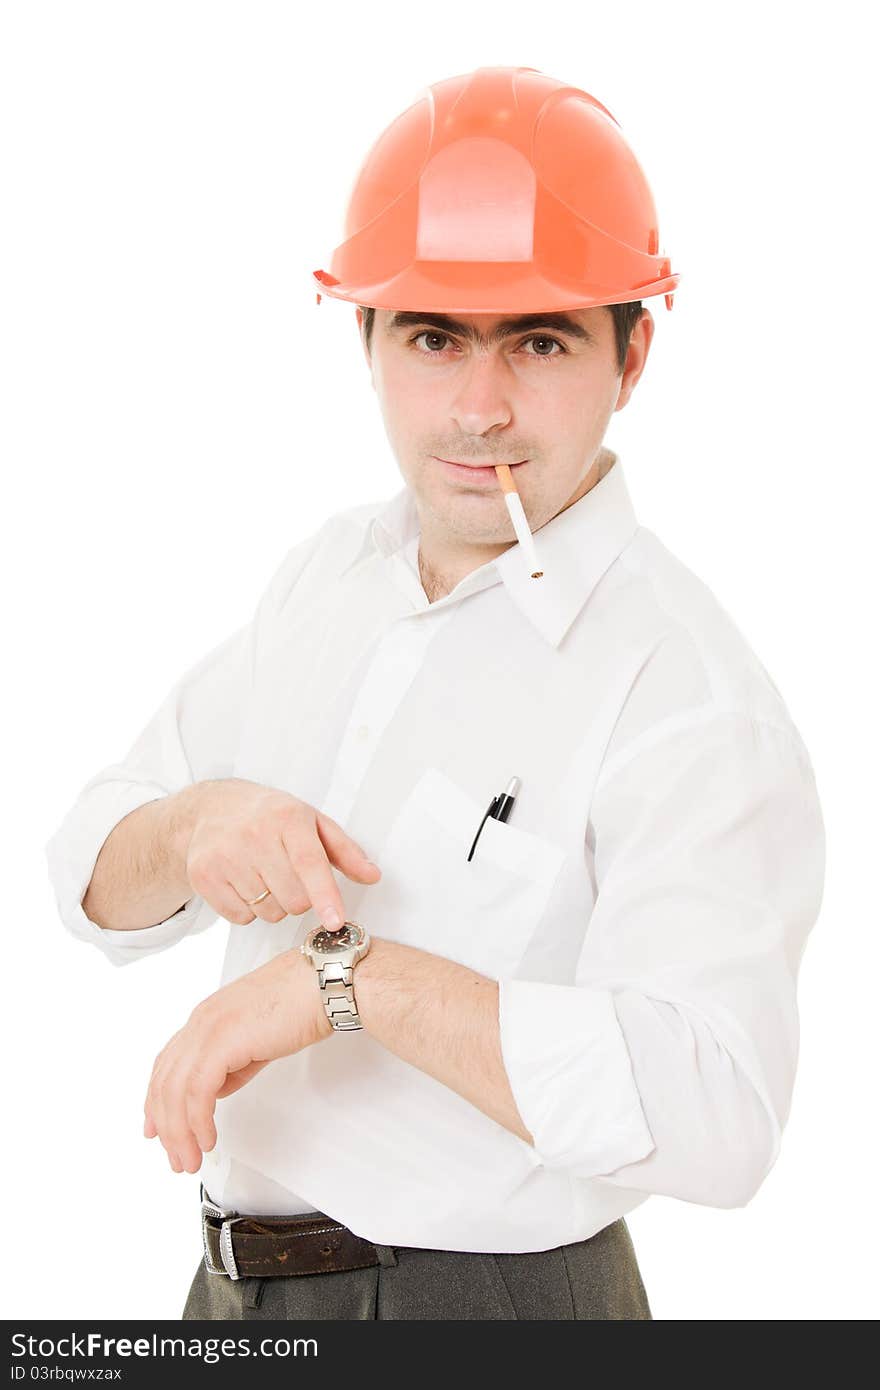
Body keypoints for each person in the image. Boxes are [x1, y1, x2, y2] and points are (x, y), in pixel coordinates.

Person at [44, 65, 826, 1322]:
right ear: (366, 345)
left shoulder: (682, 691)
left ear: (633, 355)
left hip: (489, 1308)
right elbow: (91, 879)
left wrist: (350, 981)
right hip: (232, 1299)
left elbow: (720, 1113)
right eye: (433, 338)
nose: (478, 407)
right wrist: (193, 828)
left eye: (539, 339)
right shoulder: (329, 579)